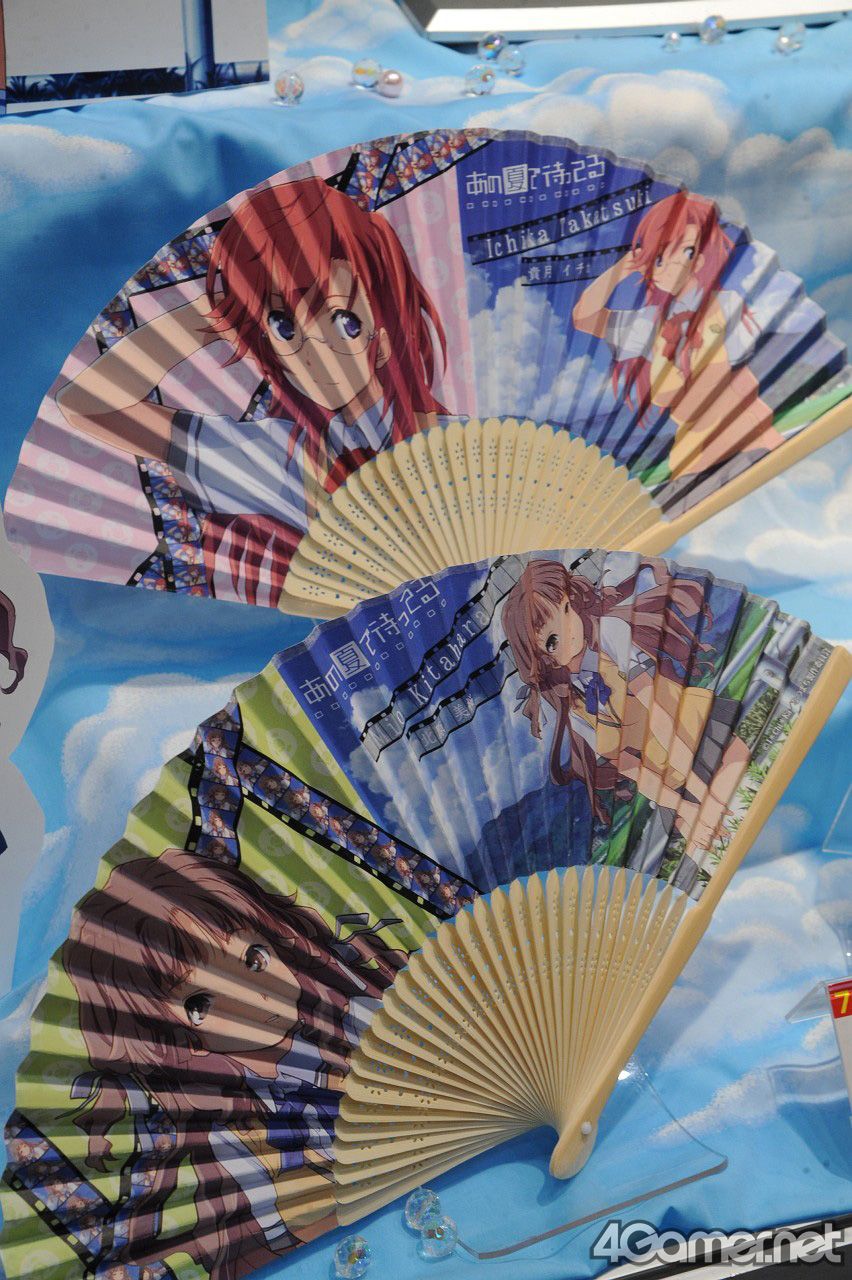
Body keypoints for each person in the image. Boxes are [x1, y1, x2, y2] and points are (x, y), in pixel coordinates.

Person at [55, 177, 448, 605]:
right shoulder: (271, 456)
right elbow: (88, 405)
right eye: (284, 327)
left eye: (343, 322)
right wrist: (218, 312)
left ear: (383, 336)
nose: (317, 352)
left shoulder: (458, 446)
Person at [62, 847, 406, 1278]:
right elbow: (282, 1237)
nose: (252, 998)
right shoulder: (237, 1133)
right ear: (178, 1040)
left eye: (254, 958)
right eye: (200, 1004)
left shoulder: (362, 1015)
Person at [502, 558, 751, 863]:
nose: (568, 632)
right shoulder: (571, 707)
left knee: (736, 762)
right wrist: (687, 808)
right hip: (663, 772)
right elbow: (632, 768)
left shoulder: (611, 635)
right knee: (695, 835)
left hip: (690, 728)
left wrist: (703, 795)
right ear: (540, 658)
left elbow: (661, 717)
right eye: (552, 642)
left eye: (566, 610)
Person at [573, 191, 782, 481]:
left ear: (702, 256)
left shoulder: (725, 304)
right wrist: (620, 270)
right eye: (660, 257)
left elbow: (720, 377)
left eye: (688, 251)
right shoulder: (648, 323)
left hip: (750, 435)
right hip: (696, 456)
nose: (674, 266)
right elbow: (584, 316)